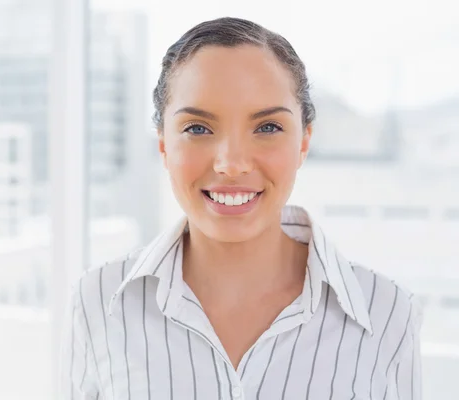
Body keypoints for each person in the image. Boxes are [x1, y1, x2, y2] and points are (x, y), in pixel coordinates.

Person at [60, 17, 422, 400]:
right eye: (198, 128)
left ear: (303, 143)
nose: (231, 164)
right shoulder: (97, 302)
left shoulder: (388, 314)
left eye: (267, 128)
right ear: (164, 145)